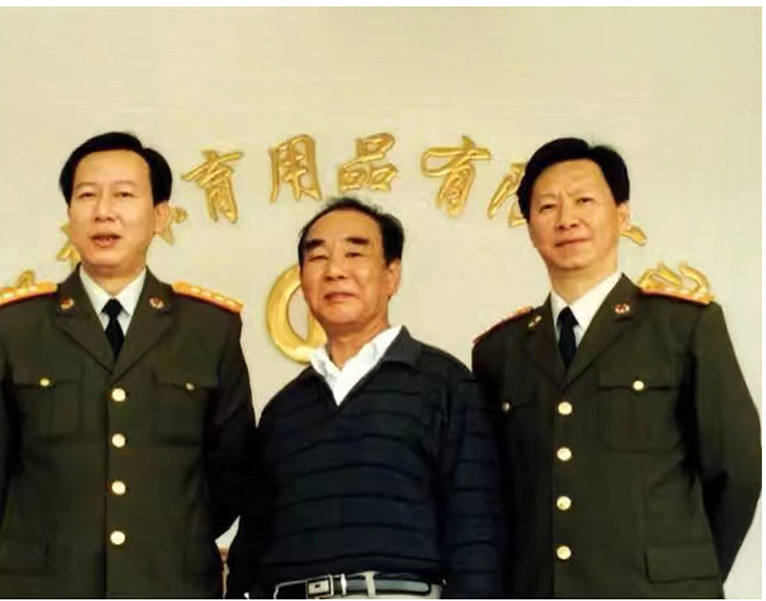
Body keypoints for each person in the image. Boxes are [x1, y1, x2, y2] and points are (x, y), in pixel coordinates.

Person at [0, 131, 256, 597]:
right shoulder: (13, 326)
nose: (104, 211)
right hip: (47, 586)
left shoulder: (208, 328)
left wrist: (163, 539)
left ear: (159, 216)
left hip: (169, 584)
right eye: (87, 195)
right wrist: (50, 543)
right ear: (69, 214)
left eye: (123, 194)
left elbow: (233, 472)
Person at [472, 137, 761, 597]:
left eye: (584, 201)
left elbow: (736, 472)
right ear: (530, 227)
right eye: (547, 206)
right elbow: (497, 493)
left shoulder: (683, 326)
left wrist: (687, 570)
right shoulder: (499, 350)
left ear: (622, 215)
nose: (566, 219)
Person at [228, 197, 502, 599]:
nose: (335, 270)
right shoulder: (282, 411)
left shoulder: (447, 384)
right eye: (318, 257)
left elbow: (477, 534)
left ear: (392, 276)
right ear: (302, 280)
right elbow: (250, 548)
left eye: (354, 254)